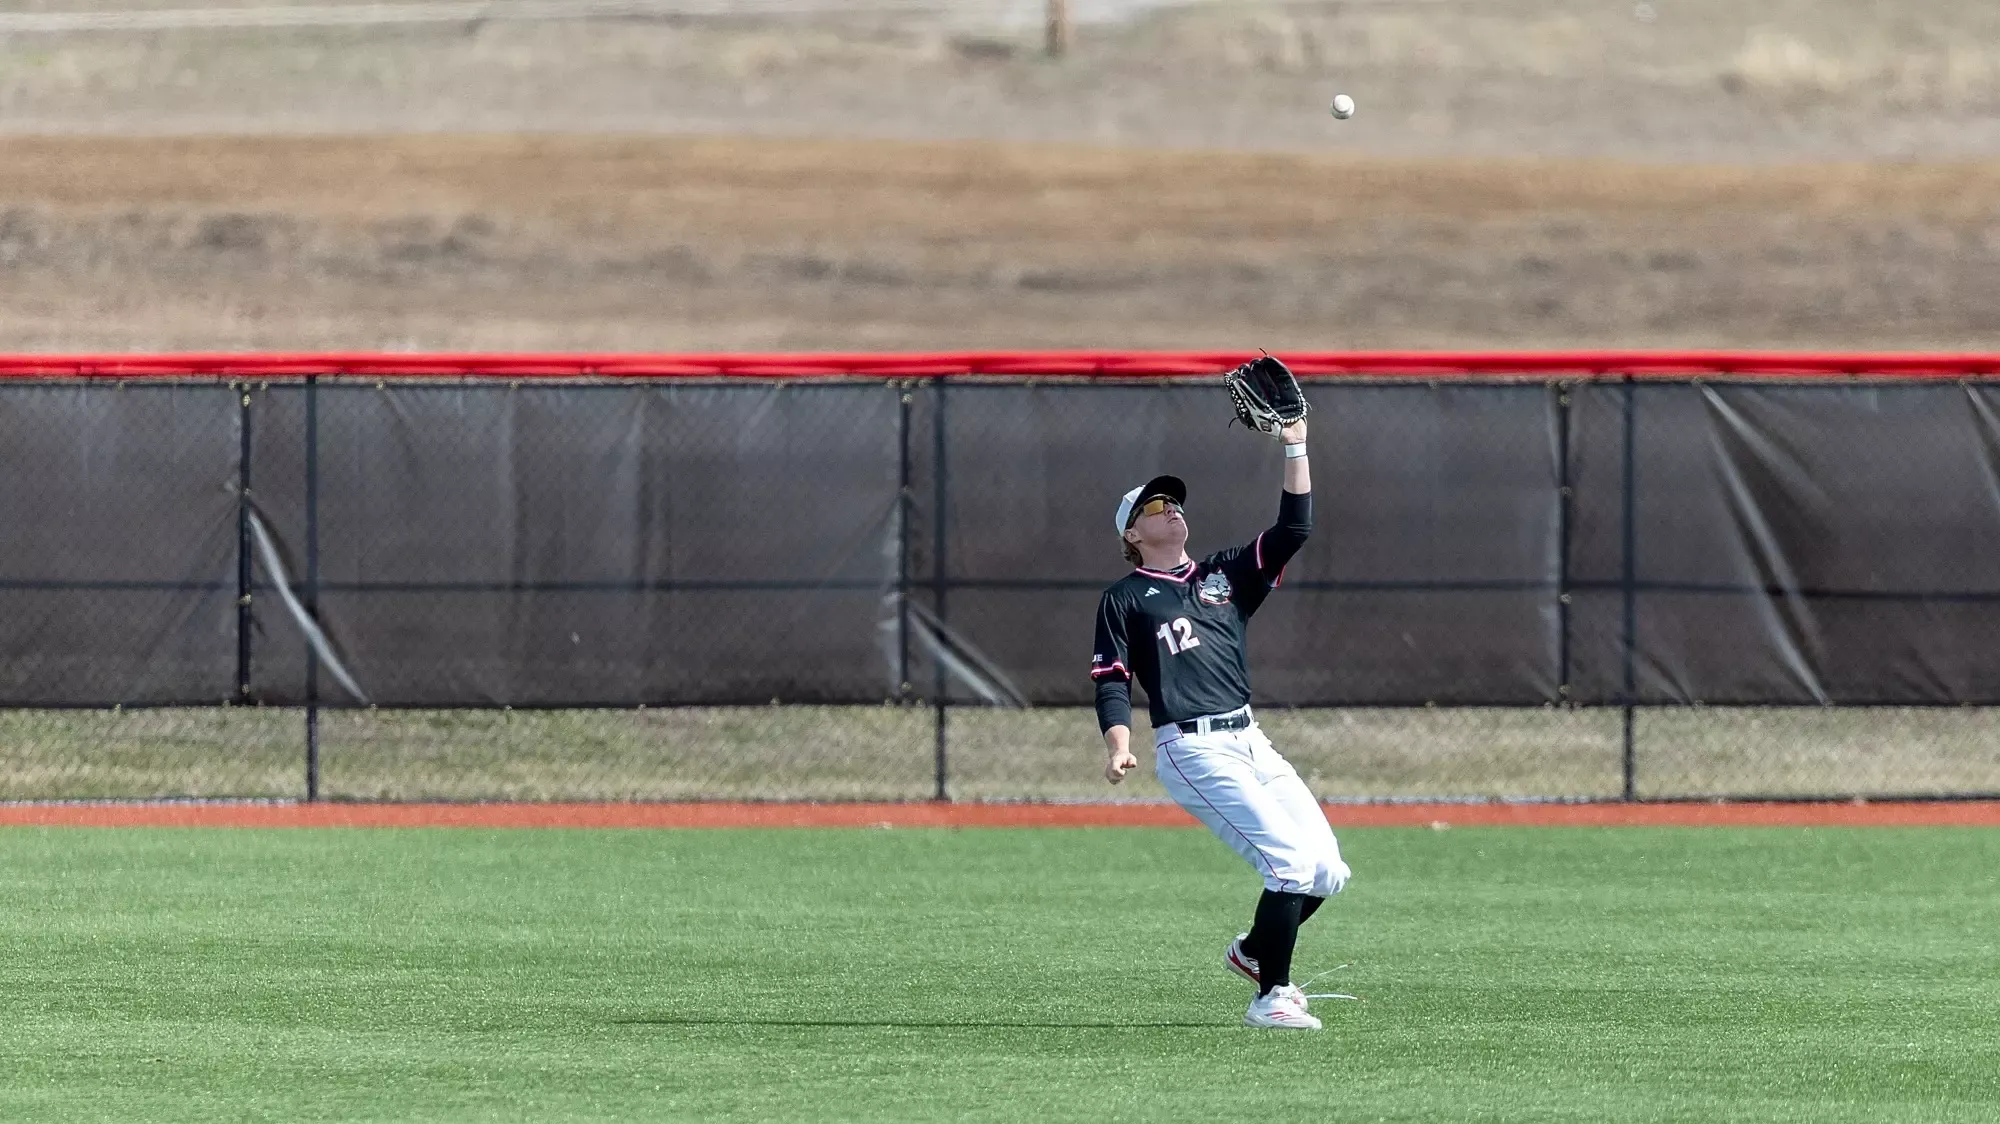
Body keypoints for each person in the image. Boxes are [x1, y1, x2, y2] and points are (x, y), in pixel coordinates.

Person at [1089, 414, 1350, 1030]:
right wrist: (1118, 744)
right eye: (1155, 504)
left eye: (1174, 500)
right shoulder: (1124, 597)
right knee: (1286, 864)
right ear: (1132, 533)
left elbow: (1295, 527)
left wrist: (1296, 443)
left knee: (1327, 871)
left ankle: (1254, 951)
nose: (1171, 508)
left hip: (1250, 739)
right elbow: (1111, 679)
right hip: (1192, 749)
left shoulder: (1223, 575)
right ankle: (1272, 996)